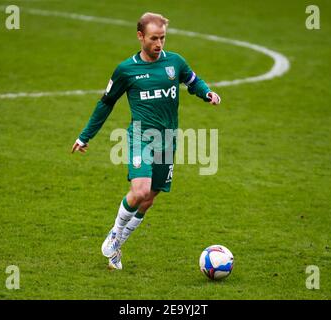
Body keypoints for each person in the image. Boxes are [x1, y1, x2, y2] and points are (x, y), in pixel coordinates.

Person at [72, 12, 221, 270]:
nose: (159, 43)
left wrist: (207, 93)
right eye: (154, 38)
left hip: (168, 139)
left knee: (149, 199)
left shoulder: (175, 62)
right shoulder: (126, 70)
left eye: (163, 38)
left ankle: (118, 247)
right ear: (140, 36)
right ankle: (115, 234)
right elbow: (105, 104)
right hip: (141, 136)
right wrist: (85, 136)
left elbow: (193, 81)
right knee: (139, 191)